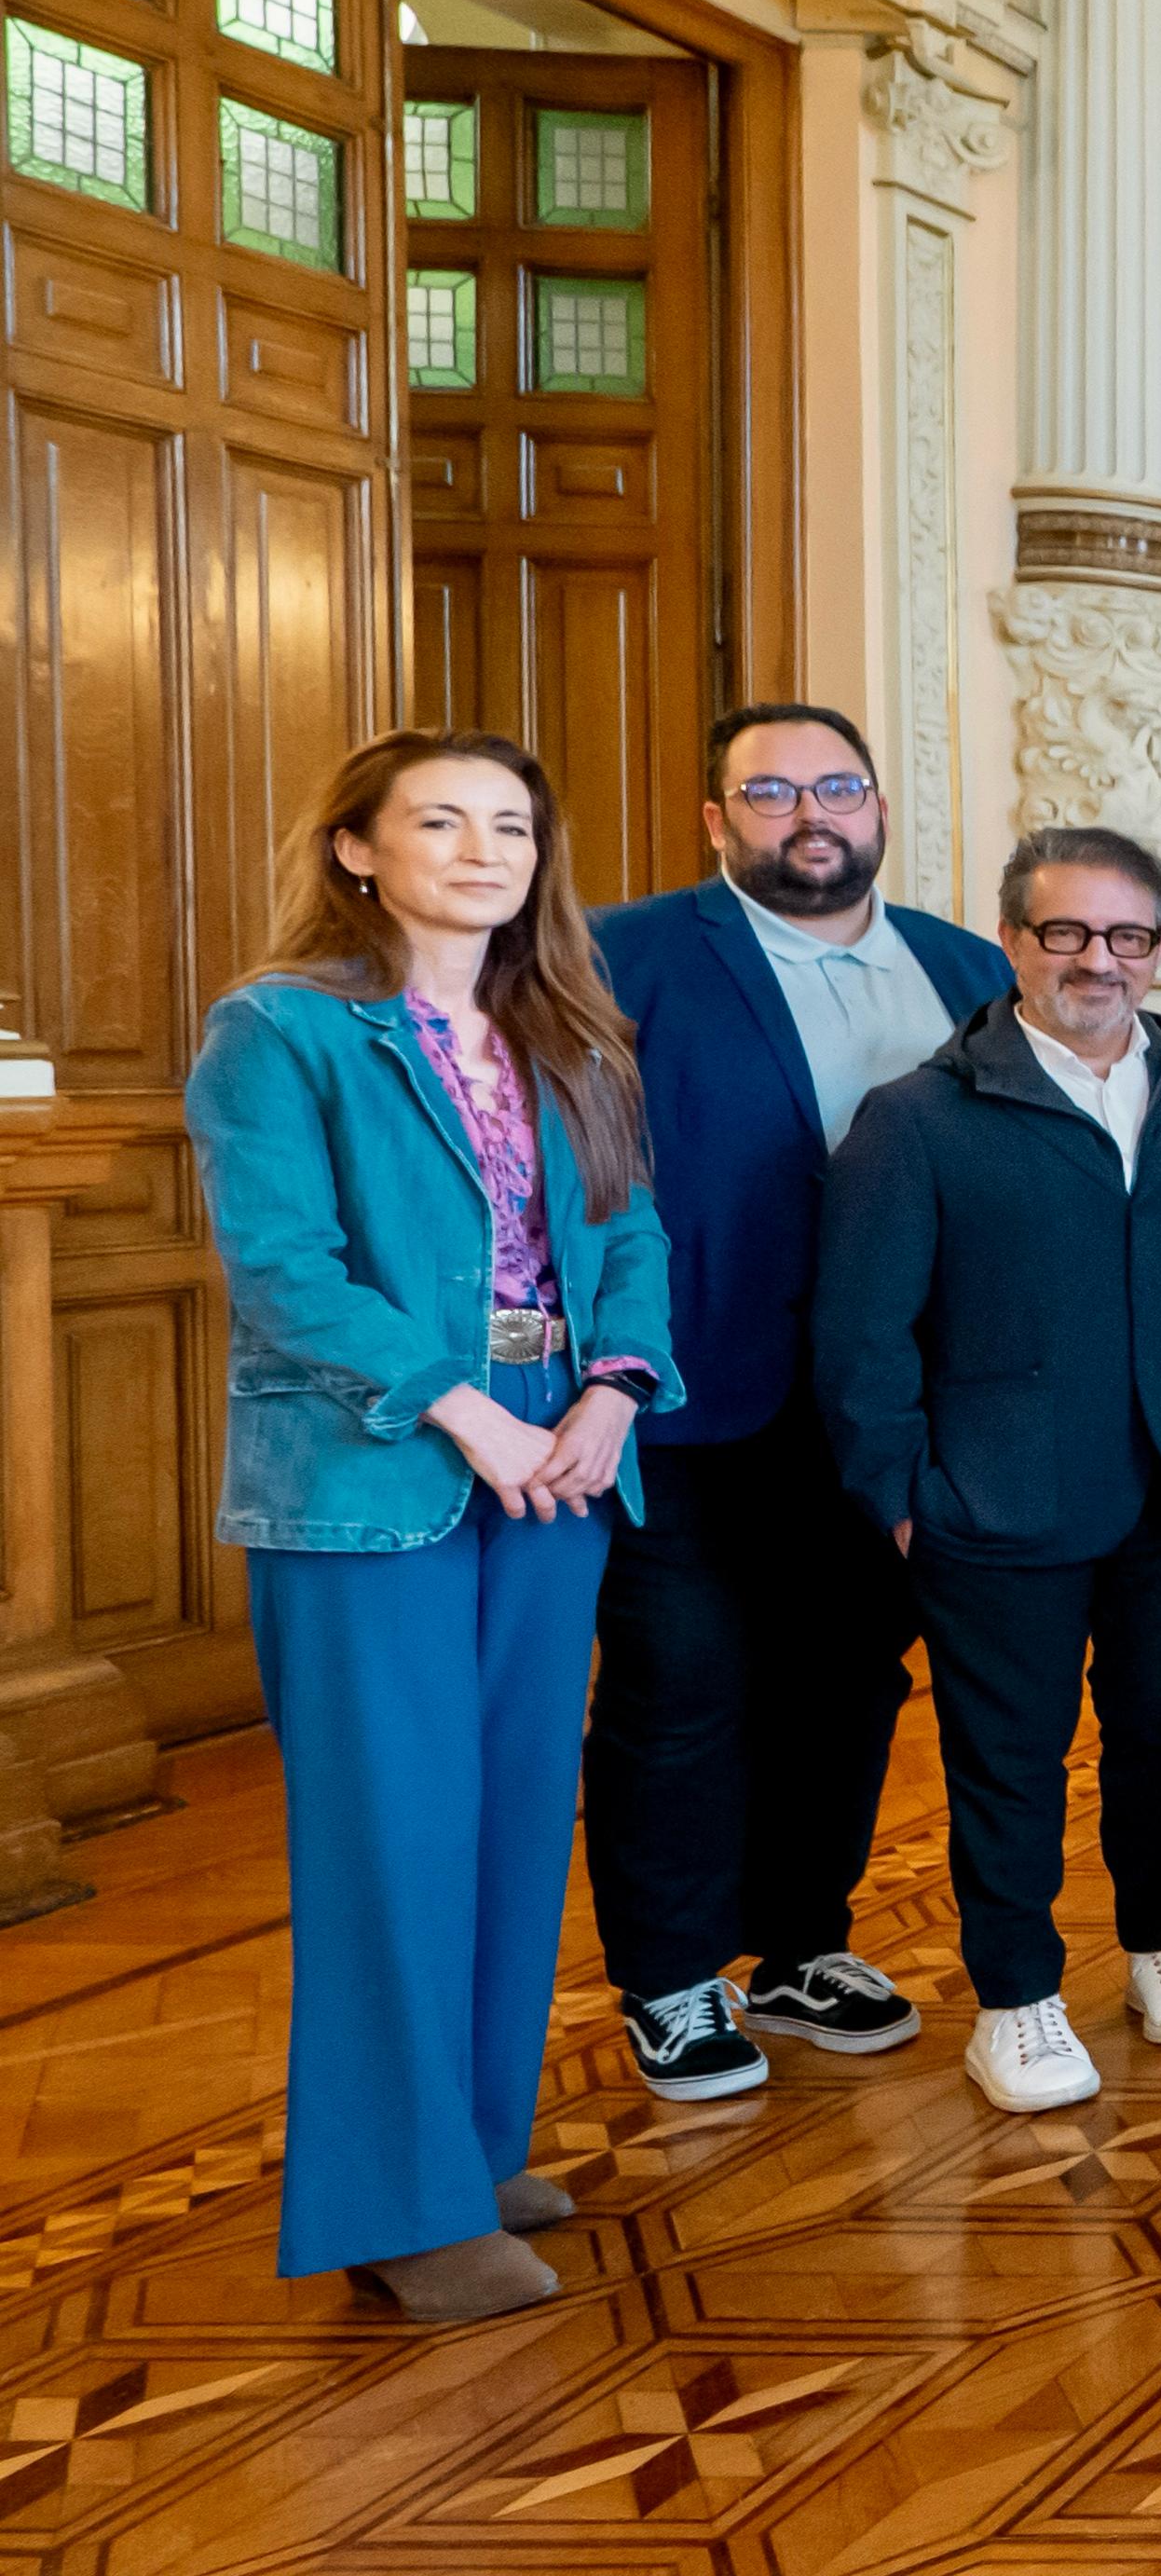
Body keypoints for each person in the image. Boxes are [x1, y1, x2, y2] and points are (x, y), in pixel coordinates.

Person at [183, 733, 681, 2323]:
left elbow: (628, 1232)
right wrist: (469, 1411)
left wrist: (613, 1392)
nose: (484, 851)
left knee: (516, 1824)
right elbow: (284, 1271)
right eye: (442, 822)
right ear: (358, 850)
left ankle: (467, 2151)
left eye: (511, 826)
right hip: (376, 1470)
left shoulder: (572, 1029)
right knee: (393, 1840)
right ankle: (397, 2207)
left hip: (560, 1463)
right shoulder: (280, 1030)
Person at [816, 826, 1161, 2115]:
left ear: (1159, 948)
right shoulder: (918, 1117)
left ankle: (1159, 1942)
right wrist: (900, 1498)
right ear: (1013, 941)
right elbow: (861, 1336)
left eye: (1126, 935)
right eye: (1065, 932)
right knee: (1009, 1760)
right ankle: (1016, 1997)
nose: (1097, 959)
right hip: (996, 1501)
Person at [584, 705, 1010, 2104]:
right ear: (717, 819)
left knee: (847, 1680)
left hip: (887, 1405)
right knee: (682, 1684)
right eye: (770, 792)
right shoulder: (621, 954)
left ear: (878, 807)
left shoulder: (966, 967)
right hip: (687, 1396)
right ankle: (669, 1976)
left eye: (837, 786)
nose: (809, 813)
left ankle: (800, 1944)